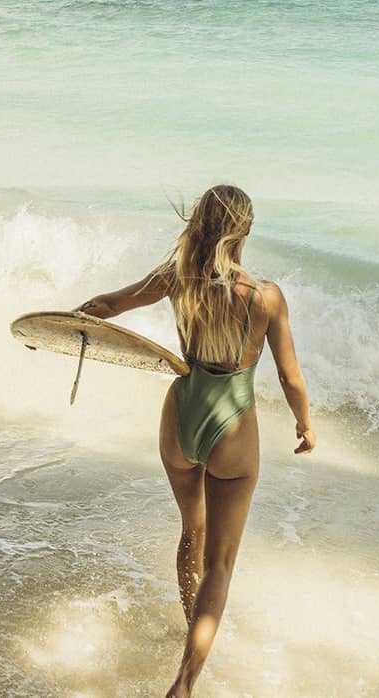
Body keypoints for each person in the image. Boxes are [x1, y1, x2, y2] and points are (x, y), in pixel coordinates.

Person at [76, 184, 315, 698]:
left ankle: (192, 629)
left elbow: (111, 304)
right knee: (222, 562)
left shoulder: (177, 277)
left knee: (193, 532)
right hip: (232, 425)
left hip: (180, 416)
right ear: (245, 229)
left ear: (200, 223)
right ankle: (186, 679)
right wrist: (305, 424)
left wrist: (72, 322)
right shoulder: (264, 296)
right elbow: (290, 377)